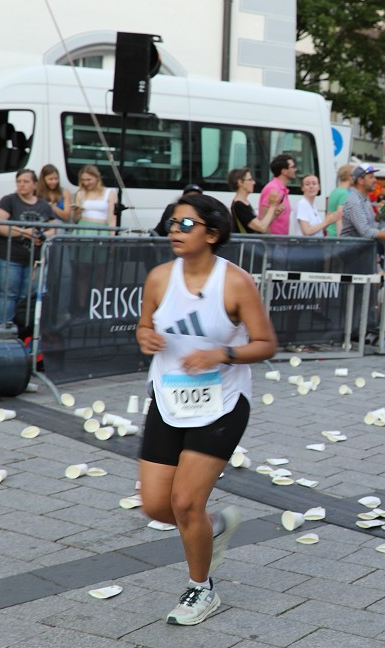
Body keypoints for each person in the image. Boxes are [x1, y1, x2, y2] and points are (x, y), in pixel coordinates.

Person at [136, 193, 276, 626]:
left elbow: (266, 344)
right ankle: (212, 527)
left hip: (222, 402)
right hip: (169, 397)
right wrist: (144, 337)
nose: (174, 231)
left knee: (185, 501)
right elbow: (144, 324)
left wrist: (221, 355)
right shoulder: (159, 278)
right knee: (157, 506)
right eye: (172, 223)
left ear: (212, 233)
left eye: (185, 224)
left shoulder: (234, 283)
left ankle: (201, 589)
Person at [0, 169, 56, 325]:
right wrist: (23, 232)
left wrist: (42, 236)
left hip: (34, 259)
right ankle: (4, 330)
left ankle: (21, 329)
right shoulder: (8, 200)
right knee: (8, 294)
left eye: (25, 181)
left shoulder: (43, 205)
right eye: (19, 181)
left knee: (26, 296)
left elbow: (54, 228)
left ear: (35, 184)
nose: (21, 184)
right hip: (9, 256)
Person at [340, 164, 385, 245]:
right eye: (371, 177)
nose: (375, 180)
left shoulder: (364, 199)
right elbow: (366, 232)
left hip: (361, 252)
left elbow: (373, 227)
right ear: (360, 181)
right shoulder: (354, 201)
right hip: (351, 253)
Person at [227, 168, 277, 234]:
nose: (253, 182)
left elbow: (260, 225)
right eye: (250, 180)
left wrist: (275, 214)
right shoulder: (239, 205)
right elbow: (261, 227)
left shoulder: (244, 203)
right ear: (240, 182)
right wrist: (272, 206)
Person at [257, 154, 296, 235]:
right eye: (292, 167)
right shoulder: (272, 189)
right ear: (284, 171)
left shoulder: (281, 189)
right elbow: (264, 220)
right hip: (274, 243)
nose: (295, 169)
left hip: (280, 243)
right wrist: (271, 242)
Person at [72, 165, 118, 233]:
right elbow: (76, 220)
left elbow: (112, 218)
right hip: (83, 227)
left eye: (89, 180)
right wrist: (76, 213)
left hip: (102, 228)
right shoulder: (80, 193)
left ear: (97, 178)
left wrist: (112, 236)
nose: (86, 183)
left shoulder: (109, 193)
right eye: (83, 180)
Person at [325, 164, 353, 236]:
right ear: (350, 176)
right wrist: (340, 239)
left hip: (330, 233)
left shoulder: (334, 191)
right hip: (336, 236)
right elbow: (339, 217)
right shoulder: (345, 194)